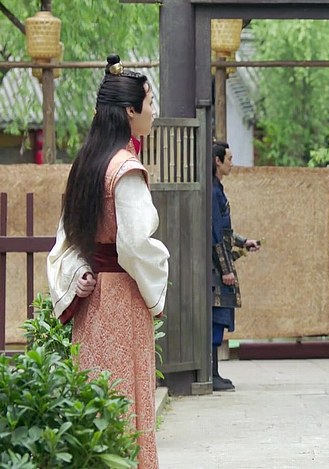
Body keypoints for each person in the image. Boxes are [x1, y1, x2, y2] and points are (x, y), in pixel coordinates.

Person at [46, 54, 168, 469]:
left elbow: (68, 236)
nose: (153, 111)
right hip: (121, 298)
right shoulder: (125, 169)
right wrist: (157, 281)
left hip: (92, 300)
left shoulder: (86, 165)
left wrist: (79, 270)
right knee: (126, 395)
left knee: (95, 397)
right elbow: (135, 246)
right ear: (130, 111)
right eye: (149, 102)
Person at [211, 141, 260, 392]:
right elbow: (216, 235)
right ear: (217, 161)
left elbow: (226, 231)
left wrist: (243, 242)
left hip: (219, 264)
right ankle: (211, 373)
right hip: (214, 267)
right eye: (228, 158)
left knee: (219, 318)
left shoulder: (217, 189)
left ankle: (214, 372)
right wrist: (226, 269)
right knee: (215, 318)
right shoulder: (212, 192)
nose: (232, 163)